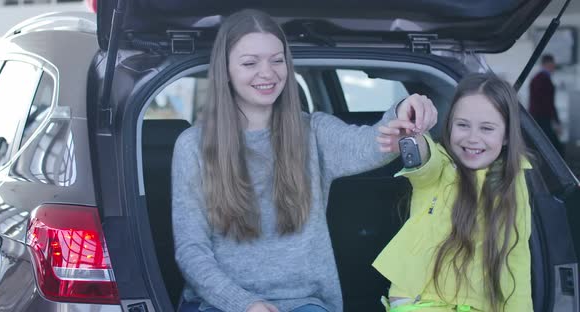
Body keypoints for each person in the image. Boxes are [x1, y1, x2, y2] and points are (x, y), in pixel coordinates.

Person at [171, 9, 437, 312]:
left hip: (306, 303)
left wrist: (405, 108)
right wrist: (244, 305)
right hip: (218, 304)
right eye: (249, 62)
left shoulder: (314, 131)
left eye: (277, 60)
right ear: (225, 69)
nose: (267, 73)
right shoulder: (192, 145)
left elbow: (371, 143)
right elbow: (191, 251)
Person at [373, 73, 532, 311]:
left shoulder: (514, 179)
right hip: (420, 301)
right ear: (449, 125)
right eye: (462, 125)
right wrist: (413, 141)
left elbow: (516, 258)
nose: (472, 138)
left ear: (507, 135)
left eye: (487, 128)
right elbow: (425, 163)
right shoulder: (441, 164)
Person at [529, 54, 563, 155]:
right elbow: (548, 103)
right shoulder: (544, 80)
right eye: (552, 65)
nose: (554, 68)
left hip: (537, 117)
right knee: (555, 148)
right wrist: (556, 122)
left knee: (545, 147)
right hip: (542, 118)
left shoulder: (537, 79)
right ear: (547, 64)